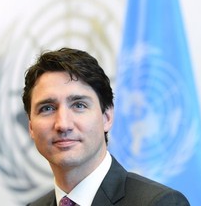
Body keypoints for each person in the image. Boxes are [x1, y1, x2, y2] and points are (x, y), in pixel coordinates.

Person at [22, 48, 190, 206]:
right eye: (47, 108)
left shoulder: (159, 203)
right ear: (31, 126)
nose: (63, 124)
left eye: (79, 105)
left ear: (107, 117)